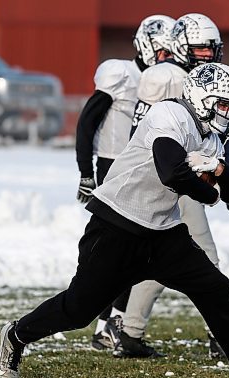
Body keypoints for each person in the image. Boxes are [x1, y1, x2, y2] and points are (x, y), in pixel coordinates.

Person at [0, 63, 229, 378]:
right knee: (78, 310)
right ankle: (16, 334)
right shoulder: (170, 114)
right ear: (201, 98)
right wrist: (210, 192)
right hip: (116, 225)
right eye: (224, 104)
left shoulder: (210, 138)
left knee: (215, 288)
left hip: (162, 233)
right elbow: (172, 172)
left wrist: (218, 168)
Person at [118, 13, 229, 359]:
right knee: (204, 257)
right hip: (177, 177)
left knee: (163, 260)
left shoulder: (195, 78)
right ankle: (222, 335)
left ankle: (130, 330)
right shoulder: (170, 78)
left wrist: (221, 174)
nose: (207, 54)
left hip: (185, 177)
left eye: (211, 48)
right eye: (200, 48)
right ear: (180, 46)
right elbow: (154, 136)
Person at [74, 14, 176, 351]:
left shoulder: (165, 79)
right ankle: (108, 323)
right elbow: (88, 121)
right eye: (162, 51)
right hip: (114, 165)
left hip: (146, 167)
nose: (166, 59)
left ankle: (109, 323)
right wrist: (85, 170)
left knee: (134, 251)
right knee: (122, 249)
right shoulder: (122, 74)